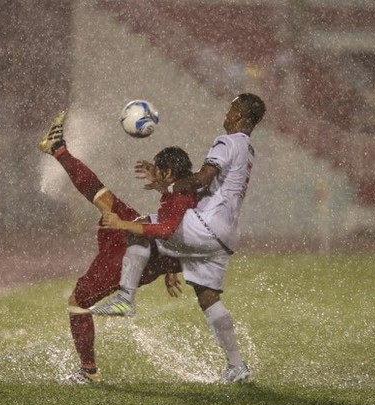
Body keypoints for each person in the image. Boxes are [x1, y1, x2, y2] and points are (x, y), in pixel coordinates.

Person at [93, 93, 266, 383]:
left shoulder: (227, 141)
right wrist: (166, 185)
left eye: (231, 109)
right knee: (208, 296)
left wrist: (168, 187)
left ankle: (125, 297)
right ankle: (237, 366)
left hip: (207, 224)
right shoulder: (248, 149)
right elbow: (210, 188)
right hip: (226, 235)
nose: (226, 114)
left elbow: (201, 179)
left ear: (242, 117)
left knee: (141, 226)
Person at [37, 111, 196, 383]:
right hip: (142, 241)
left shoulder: (182, 199)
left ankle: (89, 371)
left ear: (168, 173)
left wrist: (127, 228)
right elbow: (179, 231)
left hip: (134, 254)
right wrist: (171, 268)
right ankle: (58, 149)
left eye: (156, 170)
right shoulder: (182, 192)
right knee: (103, 196)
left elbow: (170, 230)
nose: (151, 175)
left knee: (79, 302)